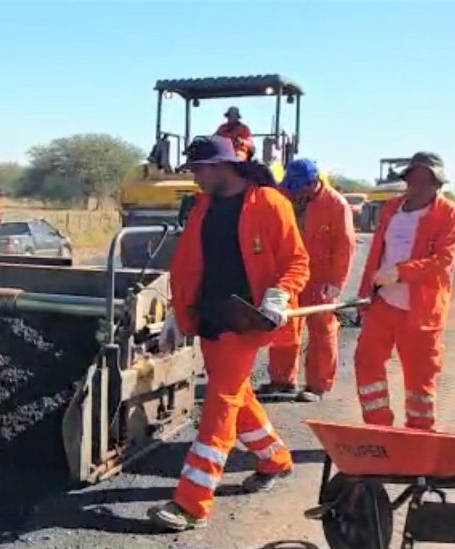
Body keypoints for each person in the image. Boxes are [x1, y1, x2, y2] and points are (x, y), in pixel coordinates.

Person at [150, 136, 310, 531]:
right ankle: (275, 459)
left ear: (222, 167)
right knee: (237, 395)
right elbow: (188, 265)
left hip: (244, 321)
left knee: (220, 403)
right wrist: (177, 311)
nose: (195, 178)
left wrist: (279, 294)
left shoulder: (270, 204)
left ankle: (191, 503)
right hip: (209, 318)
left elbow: (297, 261)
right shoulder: (205, 207)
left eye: (199, 170)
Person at [354, 152, 455, 430]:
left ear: (438, 184)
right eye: (414, 178)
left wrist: (402, 272)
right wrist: (365, 293)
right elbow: (376, 255)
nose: (419, 185)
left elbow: (443, 260)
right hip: (384, 304)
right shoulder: (392, 209)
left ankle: (419, 433)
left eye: (426, 180)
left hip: (422, 312)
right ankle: (379, 428)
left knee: (420, 377)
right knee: (366, 362)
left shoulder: (448, 214)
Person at [261, 159, 356, 402]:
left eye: (300, 187)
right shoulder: (285, 195)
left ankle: (318, 385)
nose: (296, 192)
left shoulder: (335, 204)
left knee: (322, 329)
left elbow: (345, 246)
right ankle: (282, 381)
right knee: (284, 325)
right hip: (292, 272)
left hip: (321, 277)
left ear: (314, 183)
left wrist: (336, 281)